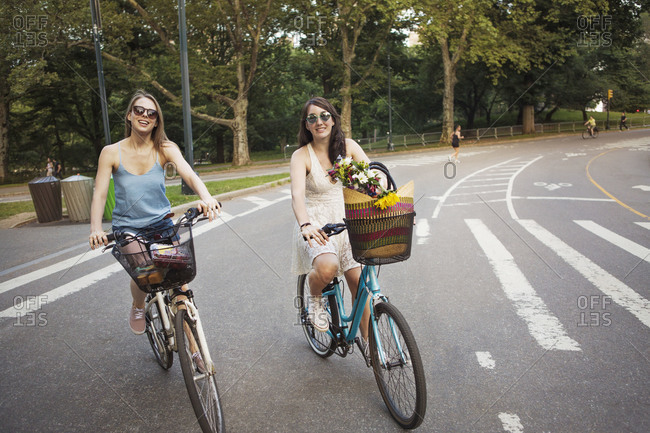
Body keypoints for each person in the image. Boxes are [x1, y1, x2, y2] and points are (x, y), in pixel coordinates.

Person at [89, 89, 220, 336]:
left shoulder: (165, 148)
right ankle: (138, 306)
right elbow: (100, 193)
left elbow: (189, 173)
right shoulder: (110, 152)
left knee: (179, 280)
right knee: (147, 273)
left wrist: (207, 198)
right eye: (139, 110)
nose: (145, 115)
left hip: (161, 223)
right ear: (129, 115)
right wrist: (96, 228)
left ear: (157, 120)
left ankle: (193, 350)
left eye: (152, 113)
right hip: (128, 227)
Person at [290, 96, 372, 356]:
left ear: (334, 120)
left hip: (347, 219)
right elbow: (297, 196)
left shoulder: (348, 147)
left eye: (324, 116)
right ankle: (315, 299)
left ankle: (374, 351)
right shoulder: (301, 155)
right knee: (327, 268)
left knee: (360, 283)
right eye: (312, 118)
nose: (319, 122)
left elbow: (373, 178)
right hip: (316, 222)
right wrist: (305, 224)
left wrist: (394, 205)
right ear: (306, 125)